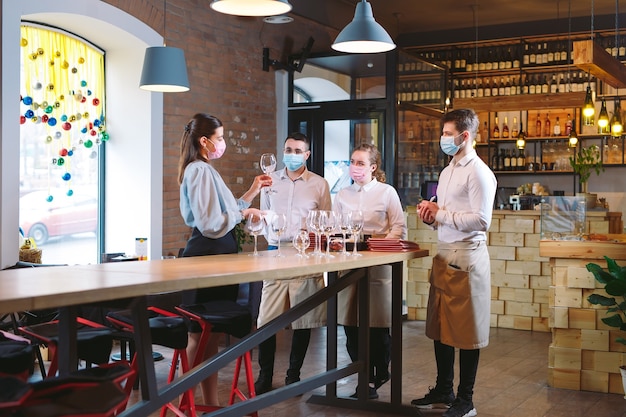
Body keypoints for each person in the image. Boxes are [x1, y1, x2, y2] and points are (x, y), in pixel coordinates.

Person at [178, 112, 271, 406]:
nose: (223, 143)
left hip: (215, 254)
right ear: (204, 141)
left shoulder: (203, 169)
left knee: (211, 338)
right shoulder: (200, 171)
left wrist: (251, 194)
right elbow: (211, 223)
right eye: (220, 138)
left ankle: (208, 405)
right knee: (198, 337)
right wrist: (244, 213)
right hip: (207, 255)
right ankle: (185, 403)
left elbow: (224, 213)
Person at [412, 108, 496, 417]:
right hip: (444, 252)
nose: (443, 139)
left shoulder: (479, 172)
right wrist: (432, 217)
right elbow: (447, 216)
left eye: (448, 134)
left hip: (467, 256)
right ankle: (444, 390)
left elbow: (482, 219)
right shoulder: (447, 171)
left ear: (465, 136)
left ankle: (466, 399)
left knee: (466, 330)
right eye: (443, 133)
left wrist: (443, 214)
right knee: (440, 325)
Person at [254, 132, 331, 394]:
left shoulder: (319, 184)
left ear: (307, 155)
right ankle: (264, 376)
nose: (292, 154)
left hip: (306, 254)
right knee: (266, 319)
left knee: (303, 319)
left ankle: (293, 376)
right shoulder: (270, 181)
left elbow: (326, 221)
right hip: (275, 252)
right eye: (289, 149)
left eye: (298, 150)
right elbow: (263, 215)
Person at [333, 143, 407, 399]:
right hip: (350, 264)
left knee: (377, 324)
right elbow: (334, 228)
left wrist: (380, 243)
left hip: (378, 264)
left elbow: (399, 227)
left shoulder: (387, 193)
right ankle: (362, 377)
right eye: (353, 161)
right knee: (350, 323)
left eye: (361, 163)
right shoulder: (342, 194)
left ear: (373, 167)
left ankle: (378, 373)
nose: (355, 167)